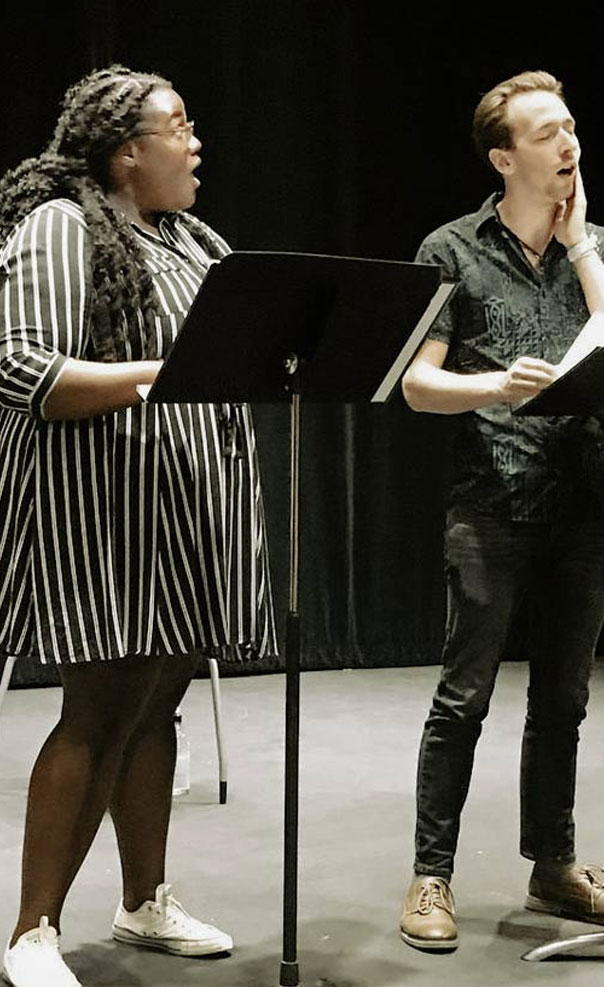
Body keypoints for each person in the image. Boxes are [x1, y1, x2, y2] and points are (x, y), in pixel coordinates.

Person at [0, 66, 276, 987]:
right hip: (99, 515)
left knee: (158, 701)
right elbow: (24, 368)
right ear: (128, 151)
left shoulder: (192, 239)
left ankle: (142, 899)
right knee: (98, 709)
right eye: (180, 128)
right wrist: (161, 372)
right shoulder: (63, 225)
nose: (196, 144)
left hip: (183, 513)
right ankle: (30, 933)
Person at [399, 70, 604, 951]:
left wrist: (582, 247)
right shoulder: (453, 249)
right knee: (463, 696)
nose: (568, 144)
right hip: (493, 503)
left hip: (586, 504)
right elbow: (416, 384)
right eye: (547, 133)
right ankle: (433, 875)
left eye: (571, 127)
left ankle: (554, 864)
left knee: (565, 700)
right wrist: (491, 385)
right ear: (505, 157)